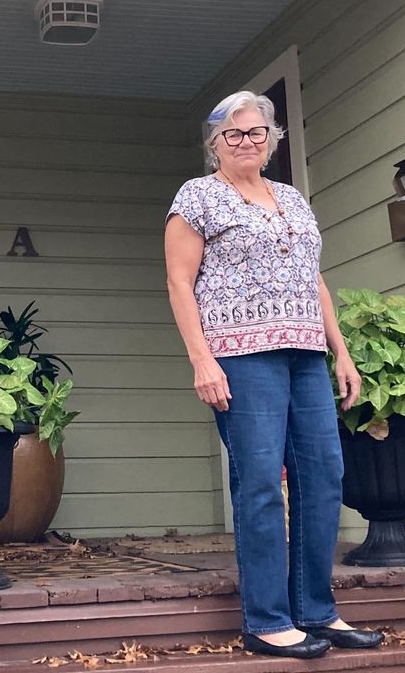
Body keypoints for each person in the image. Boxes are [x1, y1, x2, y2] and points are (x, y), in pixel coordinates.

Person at [164, 90, 386, 660]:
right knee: (261, 481)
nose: (246, 141)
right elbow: (179, 282)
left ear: (271, 140)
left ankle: (316, 610)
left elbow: (314, 279)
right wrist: (201, 359)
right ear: (215, 143)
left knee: (324, 475)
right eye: (233, 133)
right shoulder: (198, 196)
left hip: (306, 354)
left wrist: (341, 351)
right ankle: (266, 620)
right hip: (240, 356)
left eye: (256, 132)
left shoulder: (291, 198)